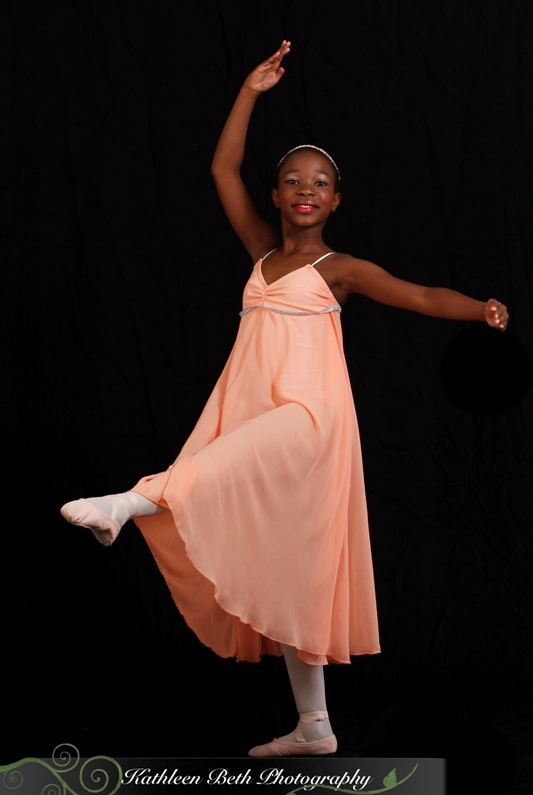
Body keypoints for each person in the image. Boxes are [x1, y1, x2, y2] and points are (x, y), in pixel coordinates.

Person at [60, 41, 509, 757]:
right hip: (251, 405)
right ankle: (315, 729)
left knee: (207, 472)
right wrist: (249, 90)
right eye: (293, 180)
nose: (306, 189)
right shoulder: (262, 253)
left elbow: (421, 295)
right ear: (275, 196)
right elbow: (221, 169)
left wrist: (477, 309)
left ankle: (126, 504)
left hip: (309, 417)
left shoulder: (340, 269)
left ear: (336, 200)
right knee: (290, 566)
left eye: (320, 182)